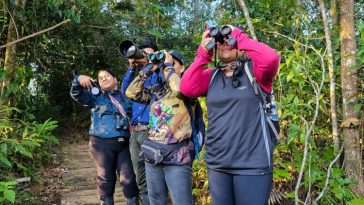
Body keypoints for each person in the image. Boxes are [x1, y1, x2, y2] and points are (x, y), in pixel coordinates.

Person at [180, 25, 280, 205]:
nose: (225, 44)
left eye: (230, 41)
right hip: (218, 164)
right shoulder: (211, 76)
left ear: (240, 45)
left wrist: (237, 35)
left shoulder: (255, 72)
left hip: (252, 164)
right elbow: (187, 87)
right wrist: (203, 53)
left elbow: (271, 58)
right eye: (220, 42)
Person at [125, 50, 194, 205]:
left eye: (173, 63)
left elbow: (179, 89)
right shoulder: (157, 91)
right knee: (156, 200)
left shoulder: (189, 88)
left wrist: (168, 67)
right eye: (165, 65)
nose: (166, 67)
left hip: (177, 156)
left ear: (182, 68)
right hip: (153, 155)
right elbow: (130, 93)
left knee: (181, 201)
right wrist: (149, 67)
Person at [70, 69, 138, 205]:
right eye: (100, 78)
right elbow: (76, 94)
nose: (104, 79)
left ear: (115, 79)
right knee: (106, 178)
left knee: (128, 179)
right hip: (101, 144)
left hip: (124, 144)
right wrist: (78, 79)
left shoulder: (125, 96)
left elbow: (136, 113)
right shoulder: (94, 96)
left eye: (107, 76)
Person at [121, 38, 160, 205]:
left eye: (148, 54)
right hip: (135, 131)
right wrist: (131, 68)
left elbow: (160, 85)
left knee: (154, 172)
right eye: (141, 53)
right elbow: (125, 93)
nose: (144, 57)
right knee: (140, 175)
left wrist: (152, 65)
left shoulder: (159, 72)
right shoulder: (138, 77)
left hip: (151, 131)